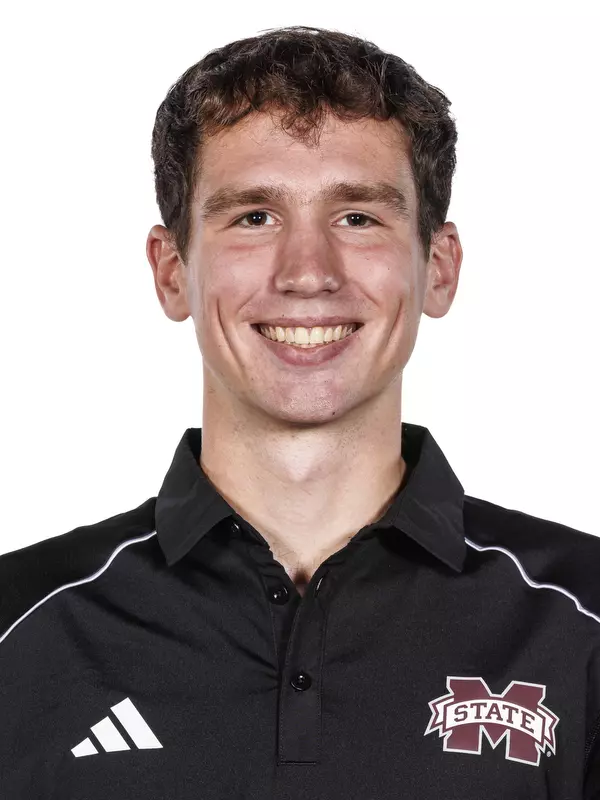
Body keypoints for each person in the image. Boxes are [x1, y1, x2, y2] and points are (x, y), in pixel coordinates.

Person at [1, 25, 598, 799]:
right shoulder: (20, 631)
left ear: (439, 268)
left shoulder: (579, 625)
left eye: (358, 216)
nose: (308, 272)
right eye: (254, 216)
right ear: (172, 271)